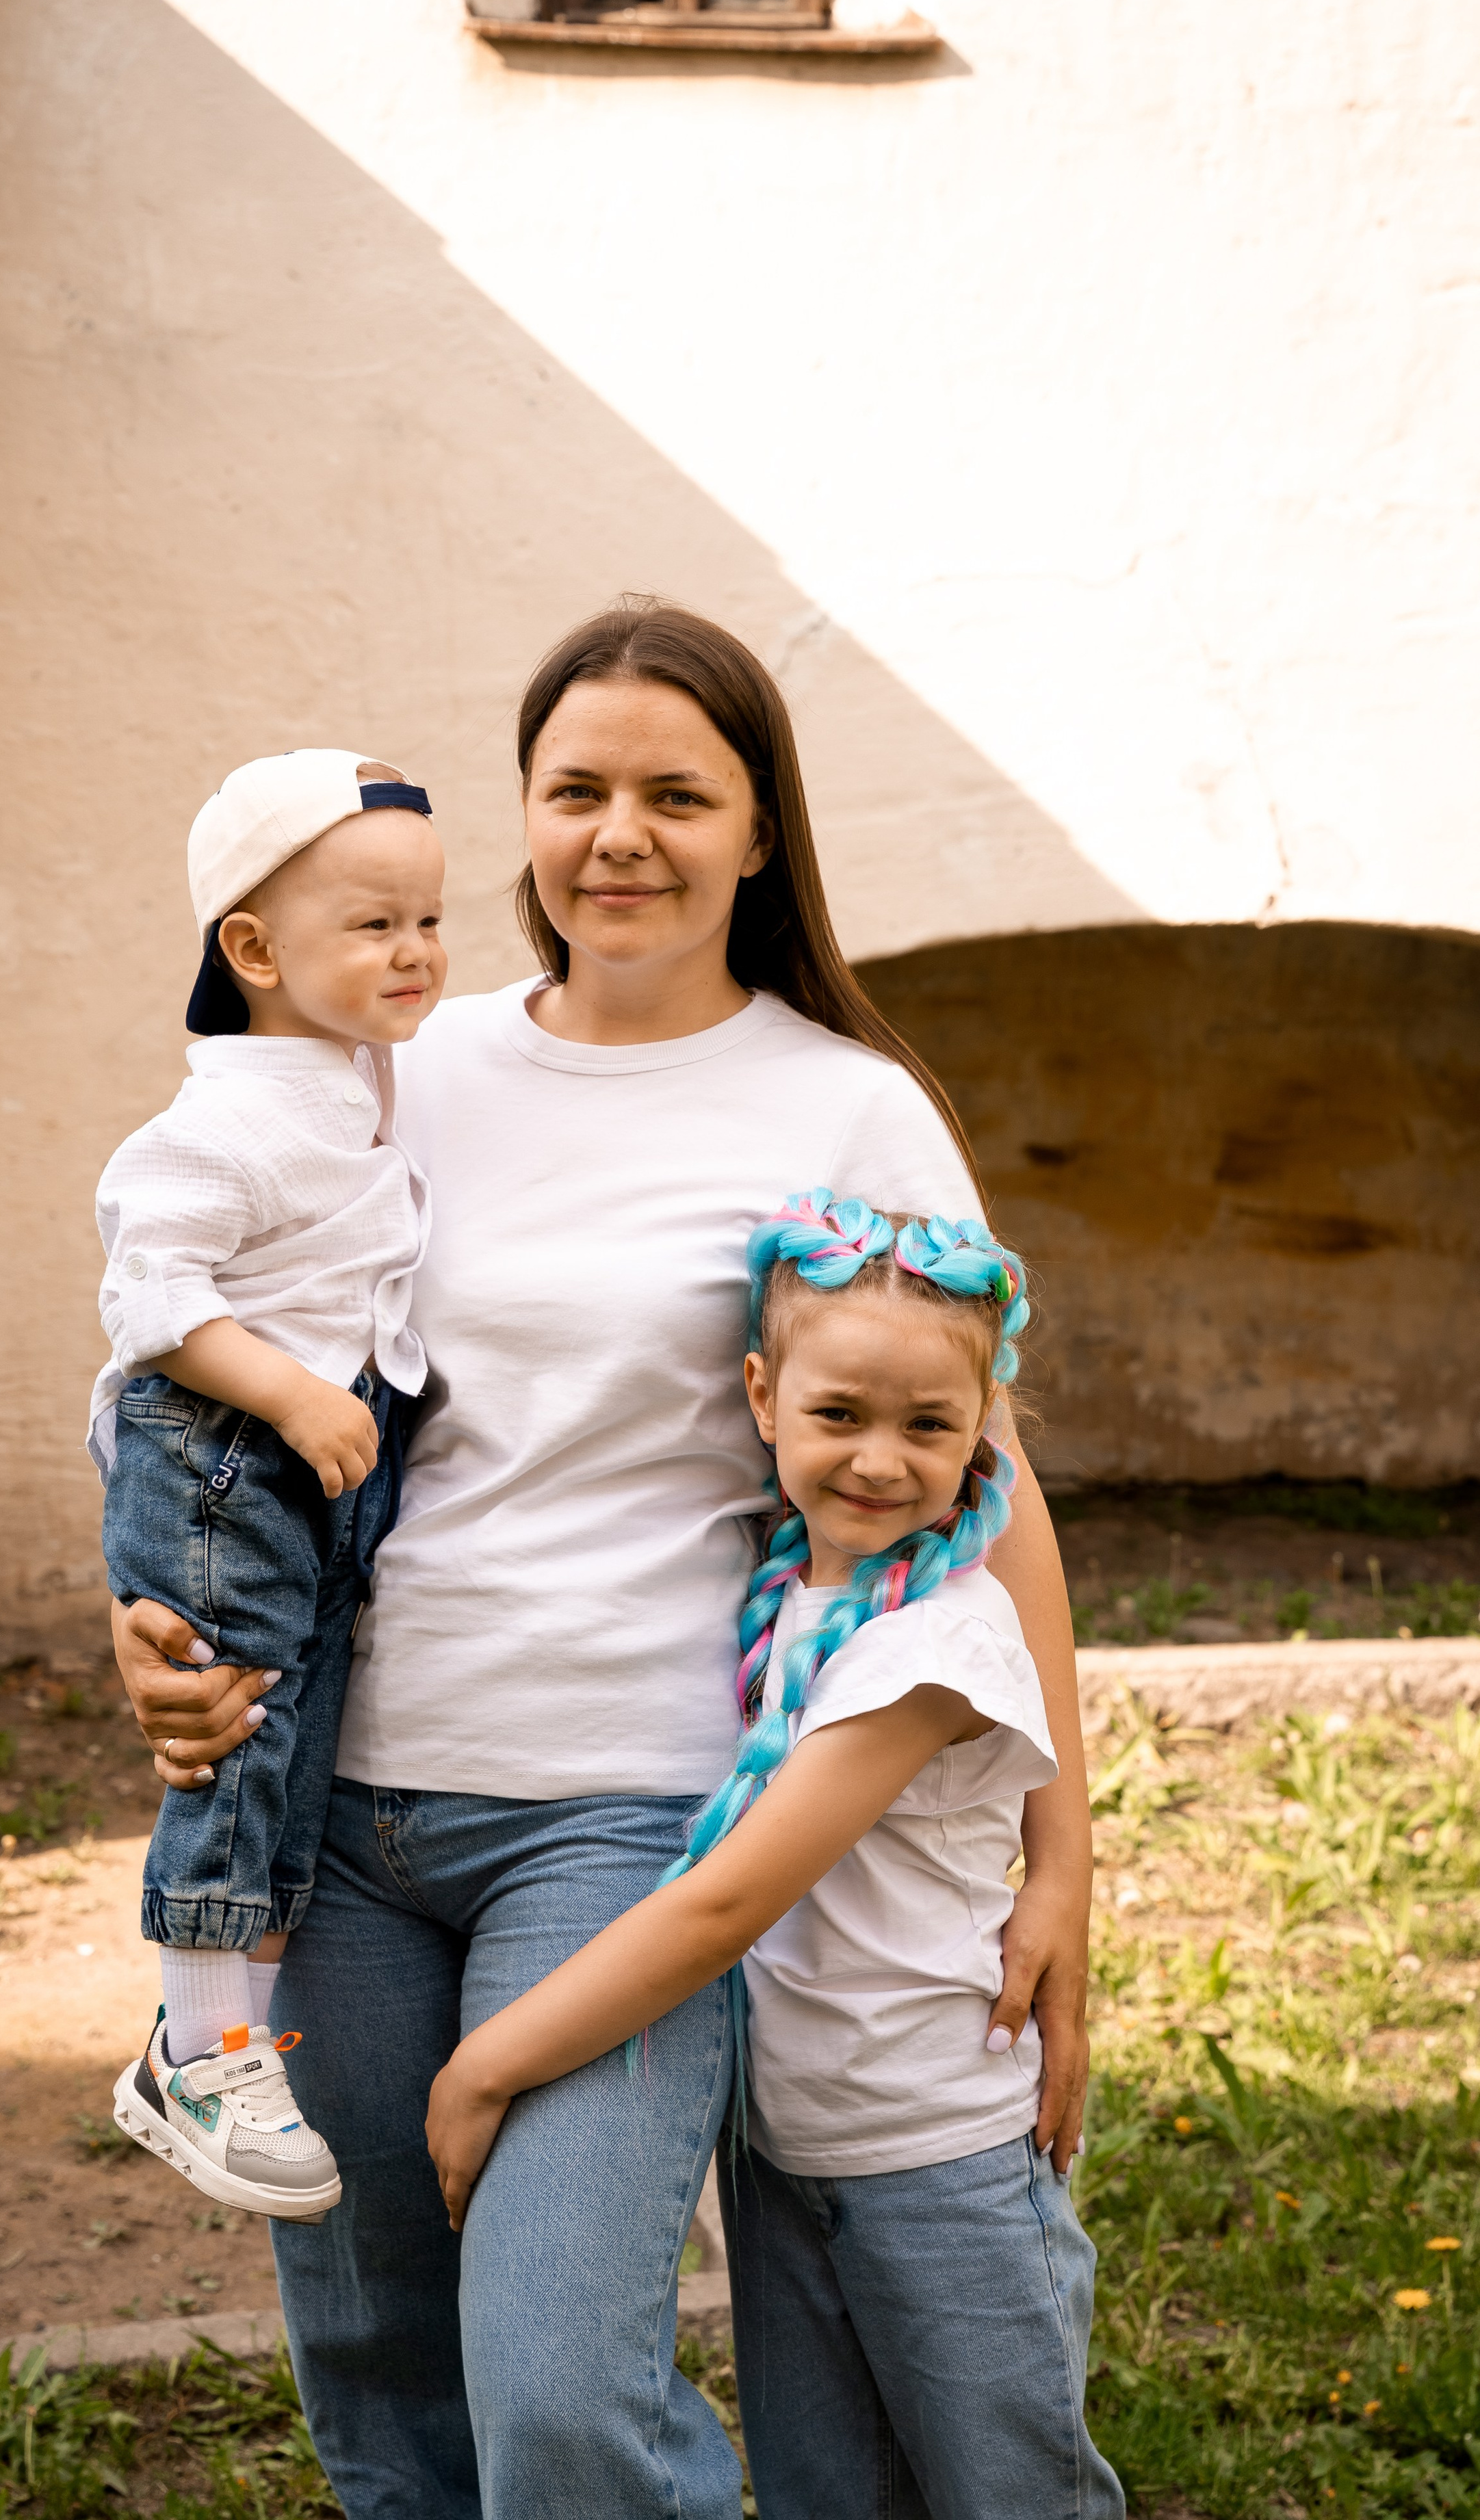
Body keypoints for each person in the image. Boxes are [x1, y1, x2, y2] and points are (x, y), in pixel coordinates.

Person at [108, 601, 1094, 2520]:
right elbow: (195, 1367)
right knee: (393, 2409)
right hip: (344, 1811)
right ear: (526, 819)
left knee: (562, 2411)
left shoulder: (843, 1103)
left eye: (675, 793)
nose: (619, 835)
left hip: (637, 1819)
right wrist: (152, 1638)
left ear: (756, 833)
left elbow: (1000, 1478)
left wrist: (1064, 1863)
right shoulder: (399, 1063)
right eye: (577, 791)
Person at [426, 1190, 1124, 2519]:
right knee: (825, 2493)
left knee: (1005, 2495)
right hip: (788, 2157)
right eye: (837, 1416)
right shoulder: (787, 1588)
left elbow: (724, 1903)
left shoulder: (939, 1650)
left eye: (929, 1425)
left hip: (939, 2158)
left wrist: (487, 2065)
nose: (878, 1460)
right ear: (760, 1396)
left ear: (987, 1426)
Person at [92, 749, 445, 2216]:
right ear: (251, 951)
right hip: (231, 1447)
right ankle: (196, 2046)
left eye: (429, 920)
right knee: (237, 1744)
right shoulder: (223, 1121)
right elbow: (152, 1299)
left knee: (281, 1747)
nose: (415, 952)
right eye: (374, 926)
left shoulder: (362, 1075)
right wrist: (298, 1393)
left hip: (302, 1455)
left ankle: (233, 2029)